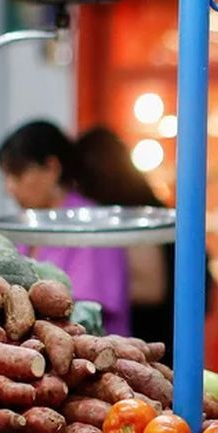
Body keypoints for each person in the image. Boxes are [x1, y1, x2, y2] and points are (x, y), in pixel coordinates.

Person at [0, 120, 132, 336]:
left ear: (51, 167)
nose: (9, 188)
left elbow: (82, 310)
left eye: (18, 175)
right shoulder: (29, 226)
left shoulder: (90, 224)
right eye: (6, 177)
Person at [73, 126, 175, 357]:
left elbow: (152, 289)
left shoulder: (133, 210)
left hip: (152, 331)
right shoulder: (137, 201)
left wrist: (90, 289)